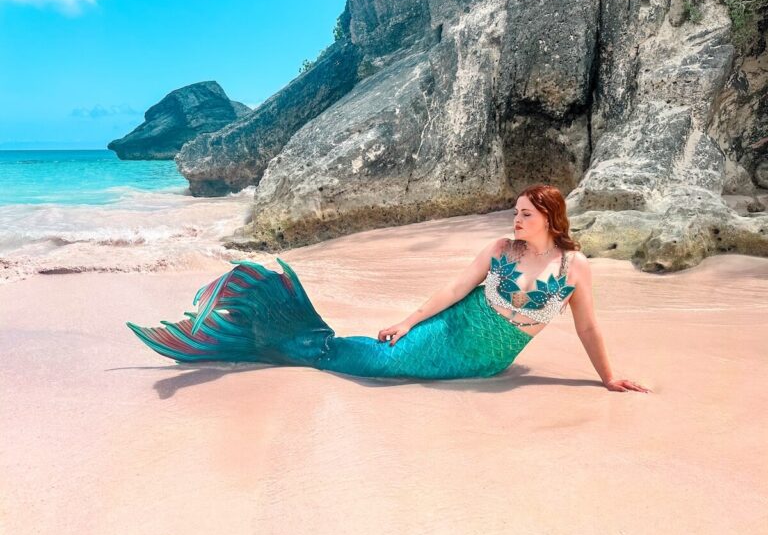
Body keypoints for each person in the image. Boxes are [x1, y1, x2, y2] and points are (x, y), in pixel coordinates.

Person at [127, 183, 650, 392]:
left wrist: (607, 378)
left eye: (524, 213)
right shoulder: (499, 251)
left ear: (548, 218)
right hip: (444, 334)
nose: (515, 219)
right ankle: (281, 337)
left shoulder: (576, 268)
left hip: (485, 363)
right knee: (373, 364)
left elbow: (587, 326)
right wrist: (405, 322)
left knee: (393, 376)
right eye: (515, 212)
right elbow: (451, 291)